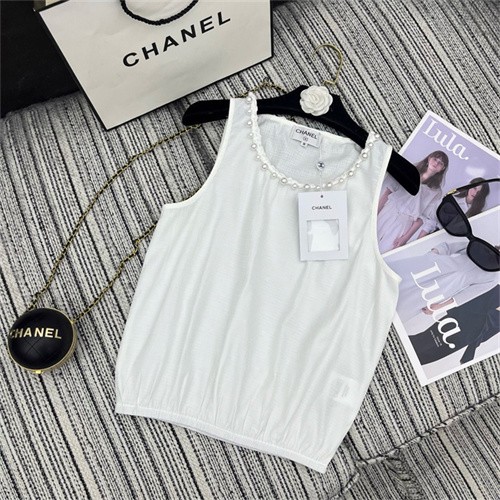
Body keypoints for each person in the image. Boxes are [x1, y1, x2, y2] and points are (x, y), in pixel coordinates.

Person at [388, 241, 499, 324]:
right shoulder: (480, 246)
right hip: (433, 265)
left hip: (441, 287)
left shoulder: (492, 277)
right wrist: (432, 254)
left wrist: (439, 307)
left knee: (403, 304)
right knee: (396, 277)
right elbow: (448, 247)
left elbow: (466, 296)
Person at [377, 150, 449, 253]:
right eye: (435, 159)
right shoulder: (410, 171)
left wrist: (405, 238)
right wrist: (374, 214)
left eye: (440, 163)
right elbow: (387, 194)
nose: (436, 163)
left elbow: (423, 218)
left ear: (443, 168)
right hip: (388, 212)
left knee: (384, 250)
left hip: (404, 223)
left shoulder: (436, 192)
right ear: (429, 158)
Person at [409, 284, 499, 365]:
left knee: (426, 357)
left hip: (462, 339)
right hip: (454, 321)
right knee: (420, 342)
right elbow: (463, 296)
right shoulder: (495, 290)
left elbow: (485, 335)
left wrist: (469, 352)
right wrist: (440, 307)